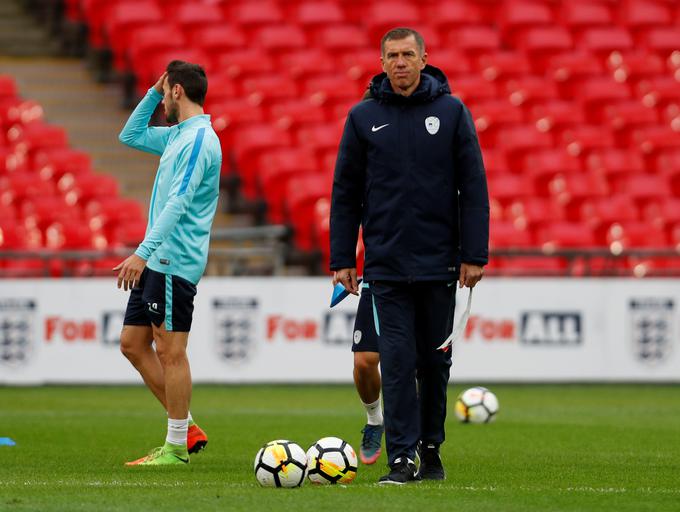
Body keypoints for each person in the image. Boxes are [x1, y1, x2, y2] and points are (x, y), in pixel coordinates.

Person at [331, 28, 489, 484]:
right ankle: (401, 458)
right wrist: (343, 257)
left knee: (434, 364)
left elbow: (474, 189)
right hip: (385, 268)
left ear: (424, 59)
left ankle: (431, 447)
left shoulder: (452, 112)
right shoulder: (362, 118)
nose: (400, 62)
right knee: (396, 362)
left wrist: (473, 254)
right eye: (392, 56)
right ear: (381, 63)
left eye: (407, 54)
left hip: (440, 264)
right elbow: (345, 195)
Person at [114, 60, 222, 466]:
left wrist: (142, 253)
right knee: (132, 344)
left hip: (173, 259)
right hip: (159, 258)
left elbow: (179, 201)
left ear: (177, 91)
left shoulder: (198, 140)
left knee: (170, 351)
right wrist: (151, 92)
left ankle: (176, 447)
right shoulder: (179, 135)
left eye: (164, 92)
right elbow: (130, 135)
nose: (162, 101)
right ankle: (186, 424)